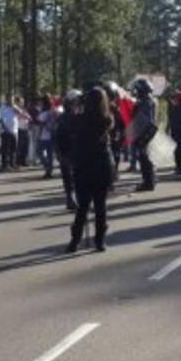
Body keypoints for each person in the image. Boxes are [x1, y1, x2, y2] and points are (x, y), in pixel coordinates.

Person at [67, 87, 115, 253]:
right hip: (101, 165)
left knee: (83, 206)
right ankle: (100, 240)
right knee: (100, 206)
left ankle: (75, 241)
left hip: (83, 165)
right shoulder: (107, 119)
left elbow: (70, 130)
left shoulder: (78, 119)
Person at [55, 89, 82, 211]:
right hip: (66, 150)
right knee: (68, 176)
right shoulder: (63, 118)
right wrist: (59, 152)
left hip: (79, 150)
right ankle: (70, 198)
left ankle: (79, 198)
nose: (77, 104)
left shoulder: (81, 116)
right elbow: (57, 136)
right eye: (75, 102)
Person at [130, 78, 159, 191]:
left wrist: (140, 136)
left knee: (144, 158)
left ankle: (148, 183)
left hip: (146, 133)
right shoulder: (149, 100)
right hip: (148, 132)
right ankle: (150, 180)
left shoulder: (145, 102)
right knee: (146, 158)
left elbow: (145, 120)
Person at [35, 94, 56, 179]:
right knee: (50, 154)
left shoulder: (43, 113)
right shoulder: (53, 111)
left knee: (39, 152)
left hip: (44, 136)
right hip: (52, 135)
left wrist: (38, 135)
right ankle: (49, 170)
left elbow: (40, 125)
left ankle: (47, 167)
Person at [0, 96, 20, 171]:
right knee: (5, 149)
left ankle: (12, 164)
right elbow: (0, 119)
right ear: (6, 100)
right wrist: (5, 128)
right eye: (9, 100)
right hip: (5, 131)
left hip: (14, 131)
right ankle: (5, 165)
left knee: (14, 148)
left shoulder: (14, 107)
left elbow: (20, 113)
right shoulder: (2, 107)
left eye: (12, 100)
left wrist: (14, 107)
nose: (11, 101)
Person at [14, 95, 31, 168]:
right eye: (21, 102)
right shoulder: (15, 109)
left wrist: (26, 116)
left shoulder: (24, 109)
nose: (22, 103)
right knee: (19, 146)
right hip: (19, 129)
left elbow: (29, 117)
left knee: (25, 146)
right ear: (17, 102)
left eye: (23, 102)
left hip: (25, 128)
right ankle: (18, 161)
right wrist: (24, 116)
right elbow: (20, 116)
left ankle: (24, 160)